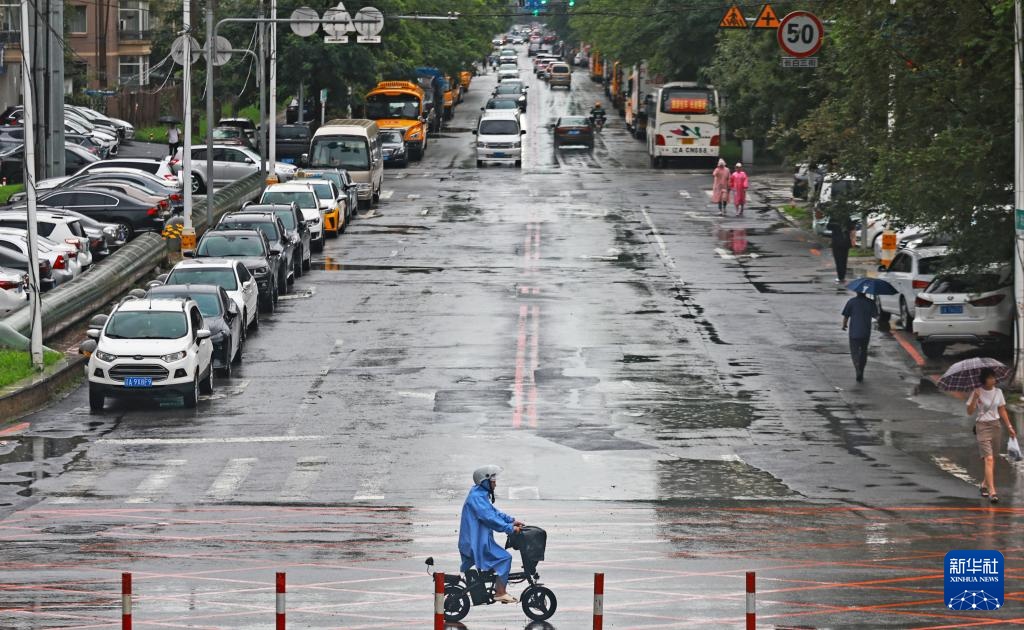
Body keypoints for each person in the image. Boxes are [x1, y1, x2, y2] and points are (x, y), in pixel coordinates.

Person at [458, 465, 525, 604]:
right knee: (504, 558)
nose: (495, 483)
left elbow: (494, 512)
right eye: (493, 479)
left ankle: (495, 588)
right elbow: (490, 518)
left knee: (497, 561)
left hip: (479, 540)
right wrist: (510, 528)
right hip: (475, 543)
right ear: (485, 481)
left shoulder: (479, 494)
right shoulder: (477, 497)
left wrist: (511, 520)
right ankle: (500, 592)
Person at [967, 368, 1017, 503]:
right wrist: (974, 399)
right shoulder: (976, 392)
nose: (993, 380)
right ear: (984, 379)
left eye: (994, 377)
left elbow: (1002, 409)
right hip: (982, 426)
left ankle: (984, 485)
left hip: (996, 426)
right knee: (988, 459)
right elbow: (970, 412)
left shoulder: (998, 392)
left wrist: (1010, 427)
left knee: (992, 458)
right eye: (990, 378)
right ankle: (992, 491)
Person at [841, 289, 877, 382]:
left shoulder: (851, 302)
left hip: (854, 332)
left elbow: (846, 315)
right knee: (864, 351)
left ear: (856, 292)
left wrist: (844, 325)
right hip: (866, 332)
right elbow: (876, 315)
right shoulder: (870, 302)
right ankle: (862, 369)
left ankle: (857, 369)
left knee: (855, 352)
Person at [828, 216, 855, 282]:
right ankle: (842, 276)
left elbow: (828, 227)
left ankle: (840, 277)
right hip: (845, 241)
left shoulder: (833, 217)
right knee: (844, 259)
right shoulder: (847, 217)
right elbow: (851, 228)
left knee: (838, 260)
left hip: (836, 242)